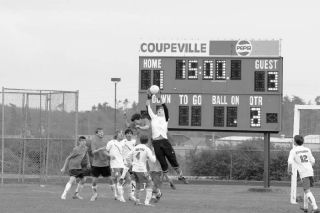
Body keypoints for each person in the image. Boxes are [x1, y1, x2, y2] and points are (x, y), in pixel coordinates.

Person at [146, 94, 188, 184]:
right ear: (157, 112)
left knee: (173, 160)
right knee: (163, 163)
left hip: (165, 142)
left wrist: (160, 99)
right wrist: (149, 98)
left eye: (162, 110)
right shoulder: (153, 117)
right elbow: (148, 107)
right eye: (159, 110)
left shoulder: (166, 118)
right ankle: (170, 181)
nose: (161, 111)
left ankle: (181, 176)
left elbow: (166, 108)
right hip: (156, 143)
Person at [288, 135, 320, 213]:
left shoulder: (293, 150)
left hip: (304, 172)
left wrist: (289, 170)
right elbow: (313, 161)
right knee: (306, 189)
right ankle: (305, 208)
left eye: (293, 140)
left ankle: (315, 207)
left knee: (307, 190)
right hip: (310, 171)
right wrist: (308, 167)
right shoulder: (307, 149)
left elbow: (290, 161)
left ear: (295, 142)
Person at [126, 135, 156, 206]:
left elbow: (127, 157)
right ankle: (147, 202)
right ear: (147, 141)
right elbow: (153, 160)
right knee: (150, 183)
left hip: (134, 170)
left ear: (140, 140)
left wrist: (132, 163)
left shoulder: (135, 147)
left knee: (138, 185)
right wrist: (154, 154)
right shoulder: (146, 148)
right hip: (142, 170)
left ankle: (137, 201)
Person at [90, 128, 115, 201]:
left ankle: (115, 195)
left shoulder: (106, 140)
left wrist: (110, 155)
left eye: (102, 132)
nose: (101, 133)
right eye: (100, 132)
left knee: (110, 179)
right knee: (94, 180)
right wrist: (100, 149)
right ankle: (94, 194)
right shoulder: (94, 141)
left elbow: (105, 151)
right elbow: (93, 152)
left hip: (105, 164)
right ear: (96, 133)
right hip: (96, 164)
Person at [106, 130, 126, 202]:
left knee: (124, 180)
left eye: (122, 133)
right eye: (120, 133)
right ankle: (121, 196)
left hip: (122, 165)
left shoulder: (123, 142)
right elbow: (105, 151)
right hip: (114, 165)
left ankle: (117, 194)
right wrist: (110, 156)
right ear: (116, 134)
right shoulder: (111, 142)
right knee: (119, 179)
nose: (121, 134)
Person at [119, 128, 137, 201]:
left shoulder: (134, 142)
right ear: (125, 135)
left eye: (130, 133)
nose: (129, 134)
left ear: (132, 135)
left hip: (132, 164)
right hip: (124, 164)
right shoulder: (123, 142)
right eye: (127, 133)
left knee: (134, 179)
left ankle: (131, 195)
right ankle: (119, 192)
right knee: (127, 179)